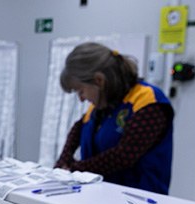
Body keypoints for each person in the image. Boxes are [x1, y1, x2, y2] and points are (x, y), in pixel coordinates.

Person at [54, 42, 174, 195]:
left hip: (139, 201)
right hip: (100, 196)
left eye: (81, 90)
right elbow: (78, 130)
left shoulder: (148, 101)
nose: (81, 99)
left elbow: (124, 155)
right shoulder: (103, 103)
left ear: (99, 80)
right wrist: (63, 161)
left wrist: (74, 168)